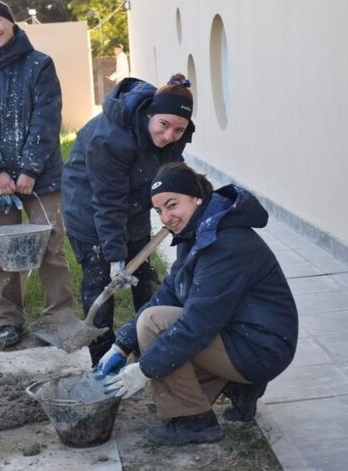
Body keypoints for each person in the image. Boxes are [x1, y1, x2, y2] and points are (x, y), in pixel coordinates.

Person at [97, 162, 299, 446]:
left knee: (154, 324)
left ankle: (193, 422)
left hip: (261, 346)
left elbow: (198, 326)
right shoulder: (198, 232)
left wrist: (144, 369)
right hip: (247, 335)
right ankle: (240, 388)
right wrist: (122, 344)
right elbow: (170, 291)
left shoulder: (225, 243)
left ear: (197, 197)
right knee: (159, 328)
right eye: (159, 211)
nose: (166, 218)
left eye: (172, 205)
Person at [62, 74, 195, 366]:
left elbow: (171, 175)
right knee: (100, 286)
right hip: (88, 208)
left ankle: (148, 350)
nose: (169, 135)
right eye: (164, 125)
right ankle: (102, 362)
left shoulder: (176, 134)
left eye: (178, 129)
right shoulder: (111, 138)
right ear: (150, 113)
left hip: (132, 203)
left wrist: (188, 202)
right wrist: (114, 256)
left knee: (145, 279)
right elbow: (107, 201)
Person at [0, 0, 74, 348]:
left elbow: (46, 118)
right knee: (4, 251)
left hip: (42, 176)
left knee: (51, 248)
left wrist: (30, 169)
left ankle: (59, 318)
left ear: (11, 22)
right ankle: (8, 321)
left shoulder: (40, 65)